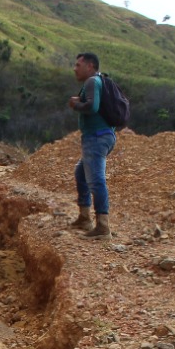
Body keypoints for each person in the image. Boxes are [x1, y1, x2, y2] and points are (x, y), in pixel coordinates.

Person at [68, 52, 117, 238]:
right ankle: (84, 217)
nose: (75, 69)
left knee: (96, 180)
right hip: (104, 135)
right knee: (81, 173)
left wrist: (75, 104)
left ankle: (103, 227)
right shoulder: (100, 81)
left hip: (96, 137)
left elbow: (92, 107)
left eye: (78, 65)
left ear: (90, 66)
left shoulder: (91, 82)